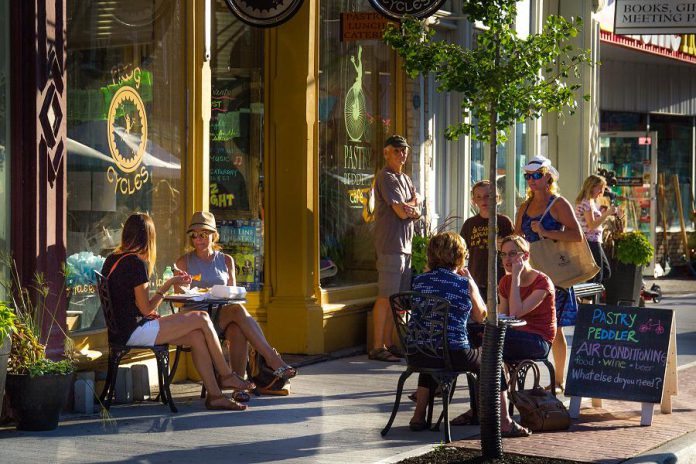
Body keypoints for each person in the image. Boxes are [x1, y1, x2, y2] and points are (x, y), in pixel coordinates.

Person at [101, 212, 253, 411]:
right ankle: (226, 375)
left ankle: (215, 396)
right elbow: (146, 308)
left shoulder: (113, 259)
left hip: (123, 329)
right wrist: (169, 284)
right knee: (202, 317)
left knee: (197, 335)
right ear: (148, 236)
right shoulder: (135, 263)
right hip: (134, 330)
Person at [409, 232, 531, 437]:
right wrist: (472, 284)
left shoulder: (419, 281)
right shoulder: (461, 283)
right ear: (459, 256)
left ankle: (418, 416)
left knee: (433, 346)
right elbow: (482, 315)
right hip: (455, 353)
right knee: (493, 360)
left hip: (417, 352)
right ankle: (505, 422)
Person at [175, 211, 297, 401]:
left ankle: (238, 385)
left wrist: (218, 293)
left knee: (237, 328)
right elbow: (178, 298)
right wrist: (186, 287)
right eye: (194, 235)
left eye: (203, 234)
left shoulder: (226, 260)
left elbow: (232, 295)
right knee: (237, 314)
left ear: (213, 235)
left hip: (222, 315)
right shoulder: (184, 262)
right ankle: (272, 359)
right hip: (197, 318)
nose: (198, 239)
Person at [513, 155, 582, 393]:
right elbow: (516, 239)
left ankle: (559, 379)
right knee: (525, 324)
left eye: (536, 175)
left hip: (555, 275)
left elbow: (577, 235)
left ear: (548, 177)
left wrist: (545, 231)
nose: (531, 180)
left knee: (556, 327)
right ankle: (520, 378)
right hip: (530, 275)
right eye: (527, 176)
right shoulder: (523, 207)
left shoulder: (559, 204)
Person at [369, 135, 421, 362]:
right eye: (397, 150)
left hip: (406, 246)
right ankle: (377, 346)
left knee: (396, 299)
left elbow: (416, 212)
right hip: (391, 245)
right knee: (385, 296)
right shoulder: (386, 177)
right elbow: (402, 212)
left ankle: (390, 343)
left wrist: (412, 207)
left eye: (404, 150)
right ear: (386, 152)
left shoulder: (406, 179)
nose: (402, 154)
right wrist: (414, 203)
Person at [498, 235, 556, 363]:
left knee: (494, 339)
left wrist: (516, 277)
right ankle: (498, 382)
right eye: (503, 254)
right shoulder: (505, 282)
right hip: (514, 336)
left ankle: (496, 383)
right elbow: (504, 316)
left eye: (512, 253)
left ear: (526, 256)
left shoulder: (542, 282)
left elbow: (515, 313)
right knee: (478, 335)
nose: (507, 259)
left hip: (539, 340)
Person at [460, 180, 514, 302]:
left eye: (487, 196)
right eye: (479, 197)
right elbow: (461, 250)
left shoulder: (504, 222)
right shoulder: (469, 224)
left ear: (497, 198)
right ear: (473, 201)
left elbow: (514, 247)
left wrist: (503, 245)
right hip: (477, 277)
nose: (483, 200)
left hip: (500, 277)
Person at [575, 175, 619, 284]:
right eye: (600, 188)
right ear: (592, 187)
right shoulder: (586, 203)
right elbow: (592, 225)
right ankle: (587, 299)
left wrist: (603, 213)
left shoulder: (591, 202)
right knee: (596, 276)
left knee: (605, 272)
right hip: (590, 241)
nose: (602, 192)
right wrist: (607, 214)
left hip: (594, 240)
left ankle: (586, 297)